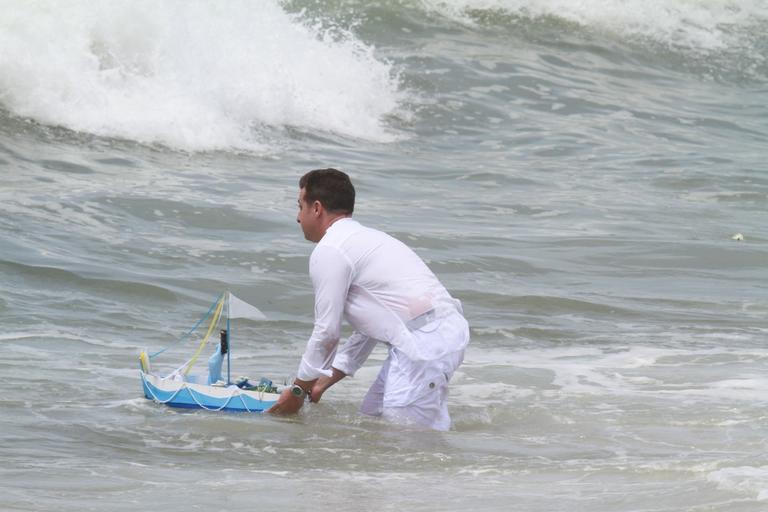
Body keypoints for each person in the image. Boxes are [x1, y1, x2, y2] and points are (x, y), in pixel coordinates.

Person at [268, 168, 469, 431]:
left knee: (405, 443)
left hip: (423, 346)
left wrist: (297, 391)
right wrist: (323, 381)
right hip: (437, 334)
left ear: (316, 208)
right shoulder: (367, 239)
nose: (297, 217)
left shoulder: (331, 249)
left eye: (299, 206)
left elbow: (327, 331)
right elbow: (374, 326)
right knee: (371, 423)